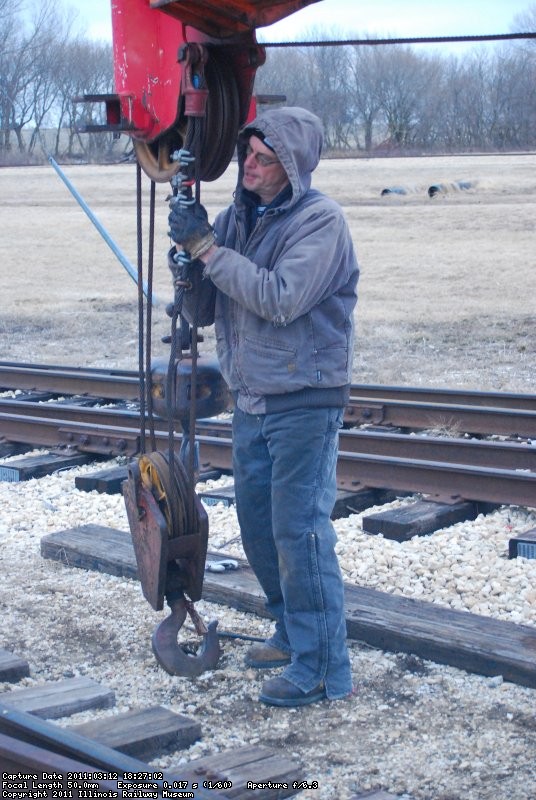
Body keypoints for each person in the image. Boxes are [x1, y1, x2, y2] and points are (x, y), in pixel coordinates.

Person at [168, 106, 359, 707]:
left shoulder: (319, 222)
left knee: (298, 532)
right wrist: (189, 267)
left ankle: (323, 667)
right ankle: (290, 630)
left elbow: (279, 298)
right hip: (252, 397)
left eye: (262, 159)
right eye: (247, 155)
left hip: (304, 396)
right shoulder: (238, 217)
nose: (247, 166)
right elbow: (206, 311)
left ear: (293, 166)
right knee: (258, 528)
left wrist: (206, 249)